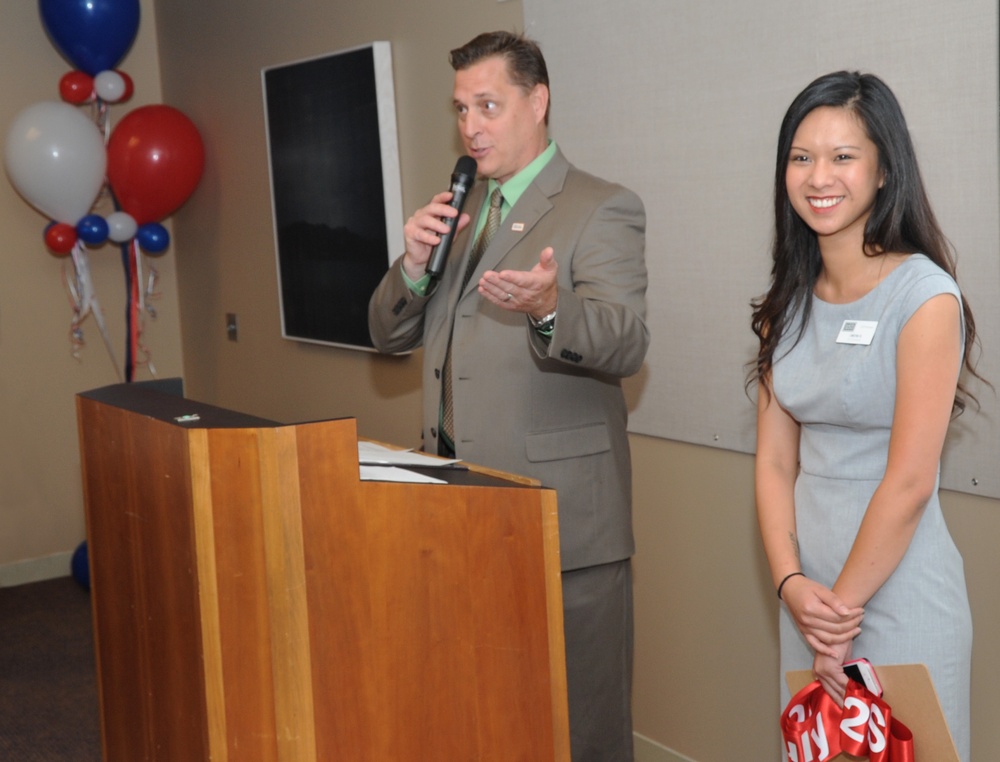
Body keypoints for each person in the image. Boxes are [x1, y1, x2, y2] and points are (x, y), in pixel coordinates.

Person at [368, 30, 648, 761]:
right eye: (462, 109)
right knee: (489, 711)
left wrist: (552, 308)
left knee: (579, 728)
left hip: (563, 520)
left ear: (539, 101)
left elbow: (626, 339)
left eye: (488, 105)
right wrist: (415, 265)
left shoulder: (602, 206)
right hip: (460, 504)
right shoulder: (460, 211)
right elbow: (387, 335)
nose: (471, 127)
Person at [750, 70, 981, 761]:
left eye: (843, 156)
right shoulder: (787, 300)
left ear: (884, 171)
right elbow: (774, 460)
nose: (819, 176)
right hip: (809, 598)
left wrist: (839, 617)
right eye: (801, 157)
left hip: (895, 595)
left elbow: (910, 483)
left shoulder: (926, 298)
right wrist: (792, 584)